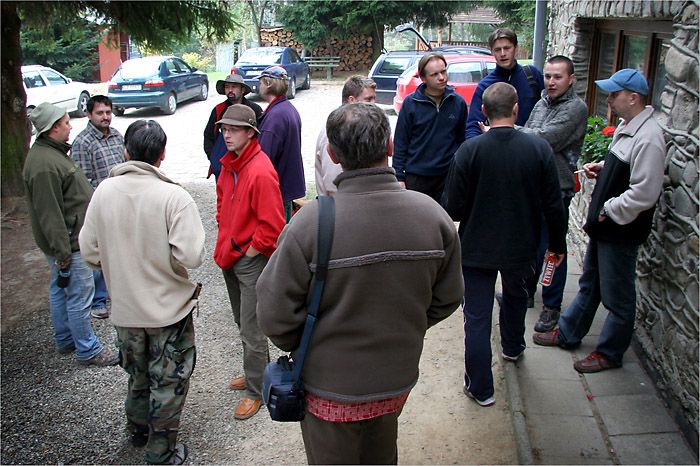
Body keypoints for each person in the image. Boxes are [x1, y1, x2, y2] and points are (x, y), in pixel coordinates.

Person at [257, 102, 464, 464]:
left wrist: (308, 342)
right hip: (396, 379)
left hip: (329, 385)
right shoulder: (432, 216)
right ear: (390, 145)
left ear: (333, 154)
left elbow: (274, 314)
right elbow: (447, 297)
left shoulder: (311, 224)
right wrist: (406, 324)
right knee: (381, 452)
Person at [79, 119, 205, 465]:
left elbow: (88, 251)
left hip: (125, 310)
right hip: (168, 312)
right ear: (162, 154)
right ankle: (160, 452)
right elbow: (192, 256)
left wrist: (119, 263)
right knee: (168, 382)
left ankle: (137, 428)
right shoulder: (174, 196)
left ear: (126, 151)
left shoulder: (104, 192)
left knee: (137, 373)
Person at [442, 83, 567, 407]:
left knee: (477, 316)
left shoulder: (469, 151)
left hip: (476, 248)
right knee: (516, 297)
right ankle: (512, 347)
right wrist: (557, 244)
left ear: (483, 111)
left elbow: (452, 207)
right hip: (521, 245)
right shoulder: (538, 149)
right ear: (516, 109)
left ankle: (481, 388)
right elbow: (554, 204)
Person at [533, 69, 665, 373]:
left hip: (620, 230)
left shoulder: (649, 137)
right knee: (590, 283)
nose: (609, 100)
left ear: (633, 98)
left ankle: (609, 352)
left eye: (615, 94)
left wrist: (609, 208)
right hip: (606, 227)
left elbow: (645, 192)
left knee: (618, 296)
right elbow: (627, 167)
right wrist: (604, 167)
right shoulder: (628, 127)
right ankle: (568, 333)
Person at [22, 102, 118, 367]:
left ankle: (65, 338)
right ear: (53, 128)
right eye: (65, 122)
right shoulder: (44, 164)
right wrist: (63, 252)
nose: (70, 126)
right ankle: (88, 349)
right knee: (79, 295)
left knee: (60, 289)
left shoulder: (50, 153)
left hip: (67, 240)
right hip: (70, 243)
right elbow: (49, 213)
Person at [213, 104, 285, 420]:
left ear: (250, 133)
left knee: (253, 329)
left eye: (233, 130)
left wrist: (250, 252)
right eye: (224, 129)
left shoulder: (260, 170)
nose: (227, 135)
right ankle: (255, 371)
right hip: (230, 255)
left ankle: (256, 391)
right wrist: (227, 238)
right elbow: (221, 205)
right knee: (243, 323)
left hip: (248, 260)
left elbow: (273, 226)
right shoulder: (230, 164)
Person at [520, 55, 588, 330]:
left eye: (557, 77)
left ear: (571, 79)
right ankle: (526, 292)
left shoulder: (575, 108)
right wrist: (526, 134)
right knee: (531, 243)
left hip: (557, 190)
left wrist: (513, 130)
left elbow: (545, 139)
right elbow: (531, 134)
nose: (551, 82)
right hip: (534, 187)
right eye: (548, 76)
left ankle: (551, 306)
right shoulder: (542, 103)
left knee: (553, 248)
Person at [70, 95, 125, 320]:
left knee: (119, 249)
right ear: (89, 114)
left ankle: (116, 292)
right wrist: (103, 200)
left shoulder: (117, 136)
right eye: (100, 113)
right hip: (100, 205)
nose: (105, 117)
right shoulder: (82, 143)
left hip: (122, 203)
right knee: (100, 251)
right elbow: (83, 180)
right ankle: (98, 301)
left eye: (108, 112)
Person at [392, 52, 468, 202]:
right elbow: (401, 142)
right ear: (423, 78)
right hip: (417, 177)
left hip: (447, 176)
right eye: (434, 74)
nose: (441, 77)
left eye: (443, 71)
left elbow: (462, 141)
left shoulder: (458, 102)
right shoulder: (411, 104)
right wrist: (399, 176)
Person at [465, 28, 544, 140]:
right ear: (492, 52)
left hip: (531, 144)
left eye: (507, 48)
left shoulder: (532, 76)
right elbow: (473, 127)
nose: (502, 54)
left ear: (516, 48)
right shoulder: (485, 86)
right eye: (498, 50)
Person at [314, 75, 376, 195]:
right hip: (336, 202)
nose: (373, 104)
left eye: (374, 99)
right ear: (351, 100)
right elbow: (332, 183)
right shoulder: (336, 130)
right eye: (368, 100)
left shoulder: (358, 128)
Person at [257, 65, 304, 221]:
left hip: (277, 191)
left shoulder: (275, 117)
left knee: (277, 232)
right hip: (285, 187)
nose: (259, 85)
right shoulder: (288, 109)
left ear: (268, 84)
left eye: (261, 82)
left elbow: (264, 159)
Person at [203, 73, 263, 180]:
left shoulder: (255, 110)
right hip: (222, 167)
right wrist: (213, 158)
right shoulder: (218, 110)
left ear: (242, 89)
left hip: (248, 164)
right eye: (227, 87)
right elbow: (208, 135)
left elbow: (261, 136)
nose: (230, 90)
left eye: (234, 86)